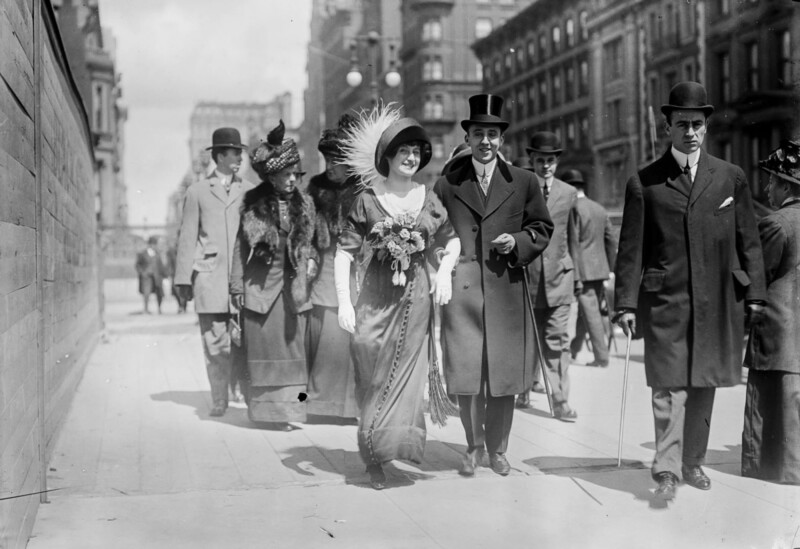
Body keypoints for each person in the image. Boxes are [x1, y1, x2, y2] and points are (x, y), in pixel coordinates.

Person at [614, 81, 766, 500]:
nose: (691, 132)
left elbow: (748, 240)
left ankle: (692, 461)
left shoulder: (729, 177)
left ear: (706, 126)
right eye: (682, 124)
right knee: (668, 385)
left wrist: (755, 294)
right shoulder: (645, 182)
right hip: (665, 300)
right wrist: (625, 303)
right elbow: (631, 250)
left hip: (718, 300)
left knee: (705, 383)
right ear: (668, 127)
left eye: (697, 124)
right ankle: (666, 470)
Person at [335, 106, 459, 490]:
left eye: (417, 152)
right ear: (386, 157)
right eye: (403, 151)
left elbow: (450, 239)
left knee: (406, 374)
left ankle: (382, 456)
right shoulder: (368, 200)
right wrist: (344, 300)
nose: (411, 158)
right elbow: (344, 252)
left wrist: (445, 272)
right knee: (370, 365)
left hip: (417, 297)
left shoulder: (429, 197)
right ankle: (372, 443)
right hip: (374, 298)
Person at [433, 94, 553, 476]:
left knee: (502, 375)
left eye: (493, 134)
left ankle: (498, 449)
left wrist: (517, 242)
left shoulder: (523, 181)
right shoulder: (447, 185)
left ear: (501, 139)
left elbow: (541, 228)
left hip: (506, 290)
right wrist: (442, 256)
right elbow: (435, 232)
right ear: (467, 138)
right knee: (468, 374)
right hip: (463, 291)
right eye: (479, 133)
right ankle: (473, 445)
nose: (486, 141)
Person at [230, 121, 317, 429]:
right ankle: (264, 414)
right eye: (286, 175)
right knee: (263, 350)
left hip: (293, 292)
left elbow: (314, 245)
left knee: (293, 351)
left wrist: (311, 262)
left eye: (296, 174)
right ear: (272, 176)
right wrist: (236, 288)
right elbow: (240, 249)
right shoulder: (253, 204)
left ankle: (292, 413)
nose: (293, 180)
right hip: (260, 289)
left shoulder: (305, 205)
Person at [174, 127, 253, 417]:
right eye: (235, 153)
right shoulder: (197, 192)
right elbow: (187, 238)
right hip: (209, 279)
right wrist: (183, 280)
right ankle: (219, 397)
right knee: (215, 343)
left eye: (241, 153)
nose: (240, 159)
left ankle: (242, 391)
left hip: (243, 280)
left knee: (243, 340)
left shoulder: (250, 190)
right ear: (219, 156)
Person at [742, 139, 800, 485]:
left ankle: (771, 468)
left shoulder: (776, 223)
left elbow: (755, 276)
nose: (766, 188)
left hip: (778, 330)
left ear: (784, 185)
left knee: (767, 403)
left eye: (770, 181)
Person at [517, 132, 582, 420]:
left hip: (560, 279)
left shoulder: (568, 194)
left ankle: (560, 400)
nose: (545, 166)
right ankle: (523, 389)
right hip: (527, 280)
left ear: (557, 162)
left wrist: (576, 276)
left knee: (557, 341)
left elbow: (574, 238)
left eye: (550, 161)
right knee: (528, 340)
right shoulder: (521, 190)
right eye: (540, 160)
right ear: (532, 160)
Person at [305, 114, 360, 419]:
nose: (330, 167)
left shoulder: (363, 187)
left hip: (356, 267)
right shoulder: (316, 187)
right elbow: (306, 229)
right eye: (326, 160)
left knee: (352, 334)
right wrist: (311, 256)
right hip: (326, 265)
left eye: (336, 161)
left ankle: (351, 405)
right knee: (327, 330)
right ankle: (322, 403)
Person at [563, 168, 617, 368]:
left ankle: (602, 358)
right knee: (588, 312)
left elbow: (573, 243)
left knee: (591, 314)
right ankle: (574, 350)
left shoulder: (574, 209)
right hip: (600, 269)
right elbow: (611, 240)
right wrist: (610, 268)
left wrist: (574, 273)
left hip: (583, 270)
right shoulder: (599, 208)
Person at [135, 236, 167, 314]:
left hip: (157, 276)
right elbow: (137, 265)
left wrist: (164, 275)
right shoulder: (143, 253)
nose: (154, 246)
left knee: (159, 293)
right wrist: (142, 272)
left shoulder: (157, 253)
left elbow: (161, 265)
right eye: (153, 244)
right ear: (149, 244)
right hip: (147, 277)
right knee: (146, 293)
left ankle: (159, 308)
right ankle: (146, 309)